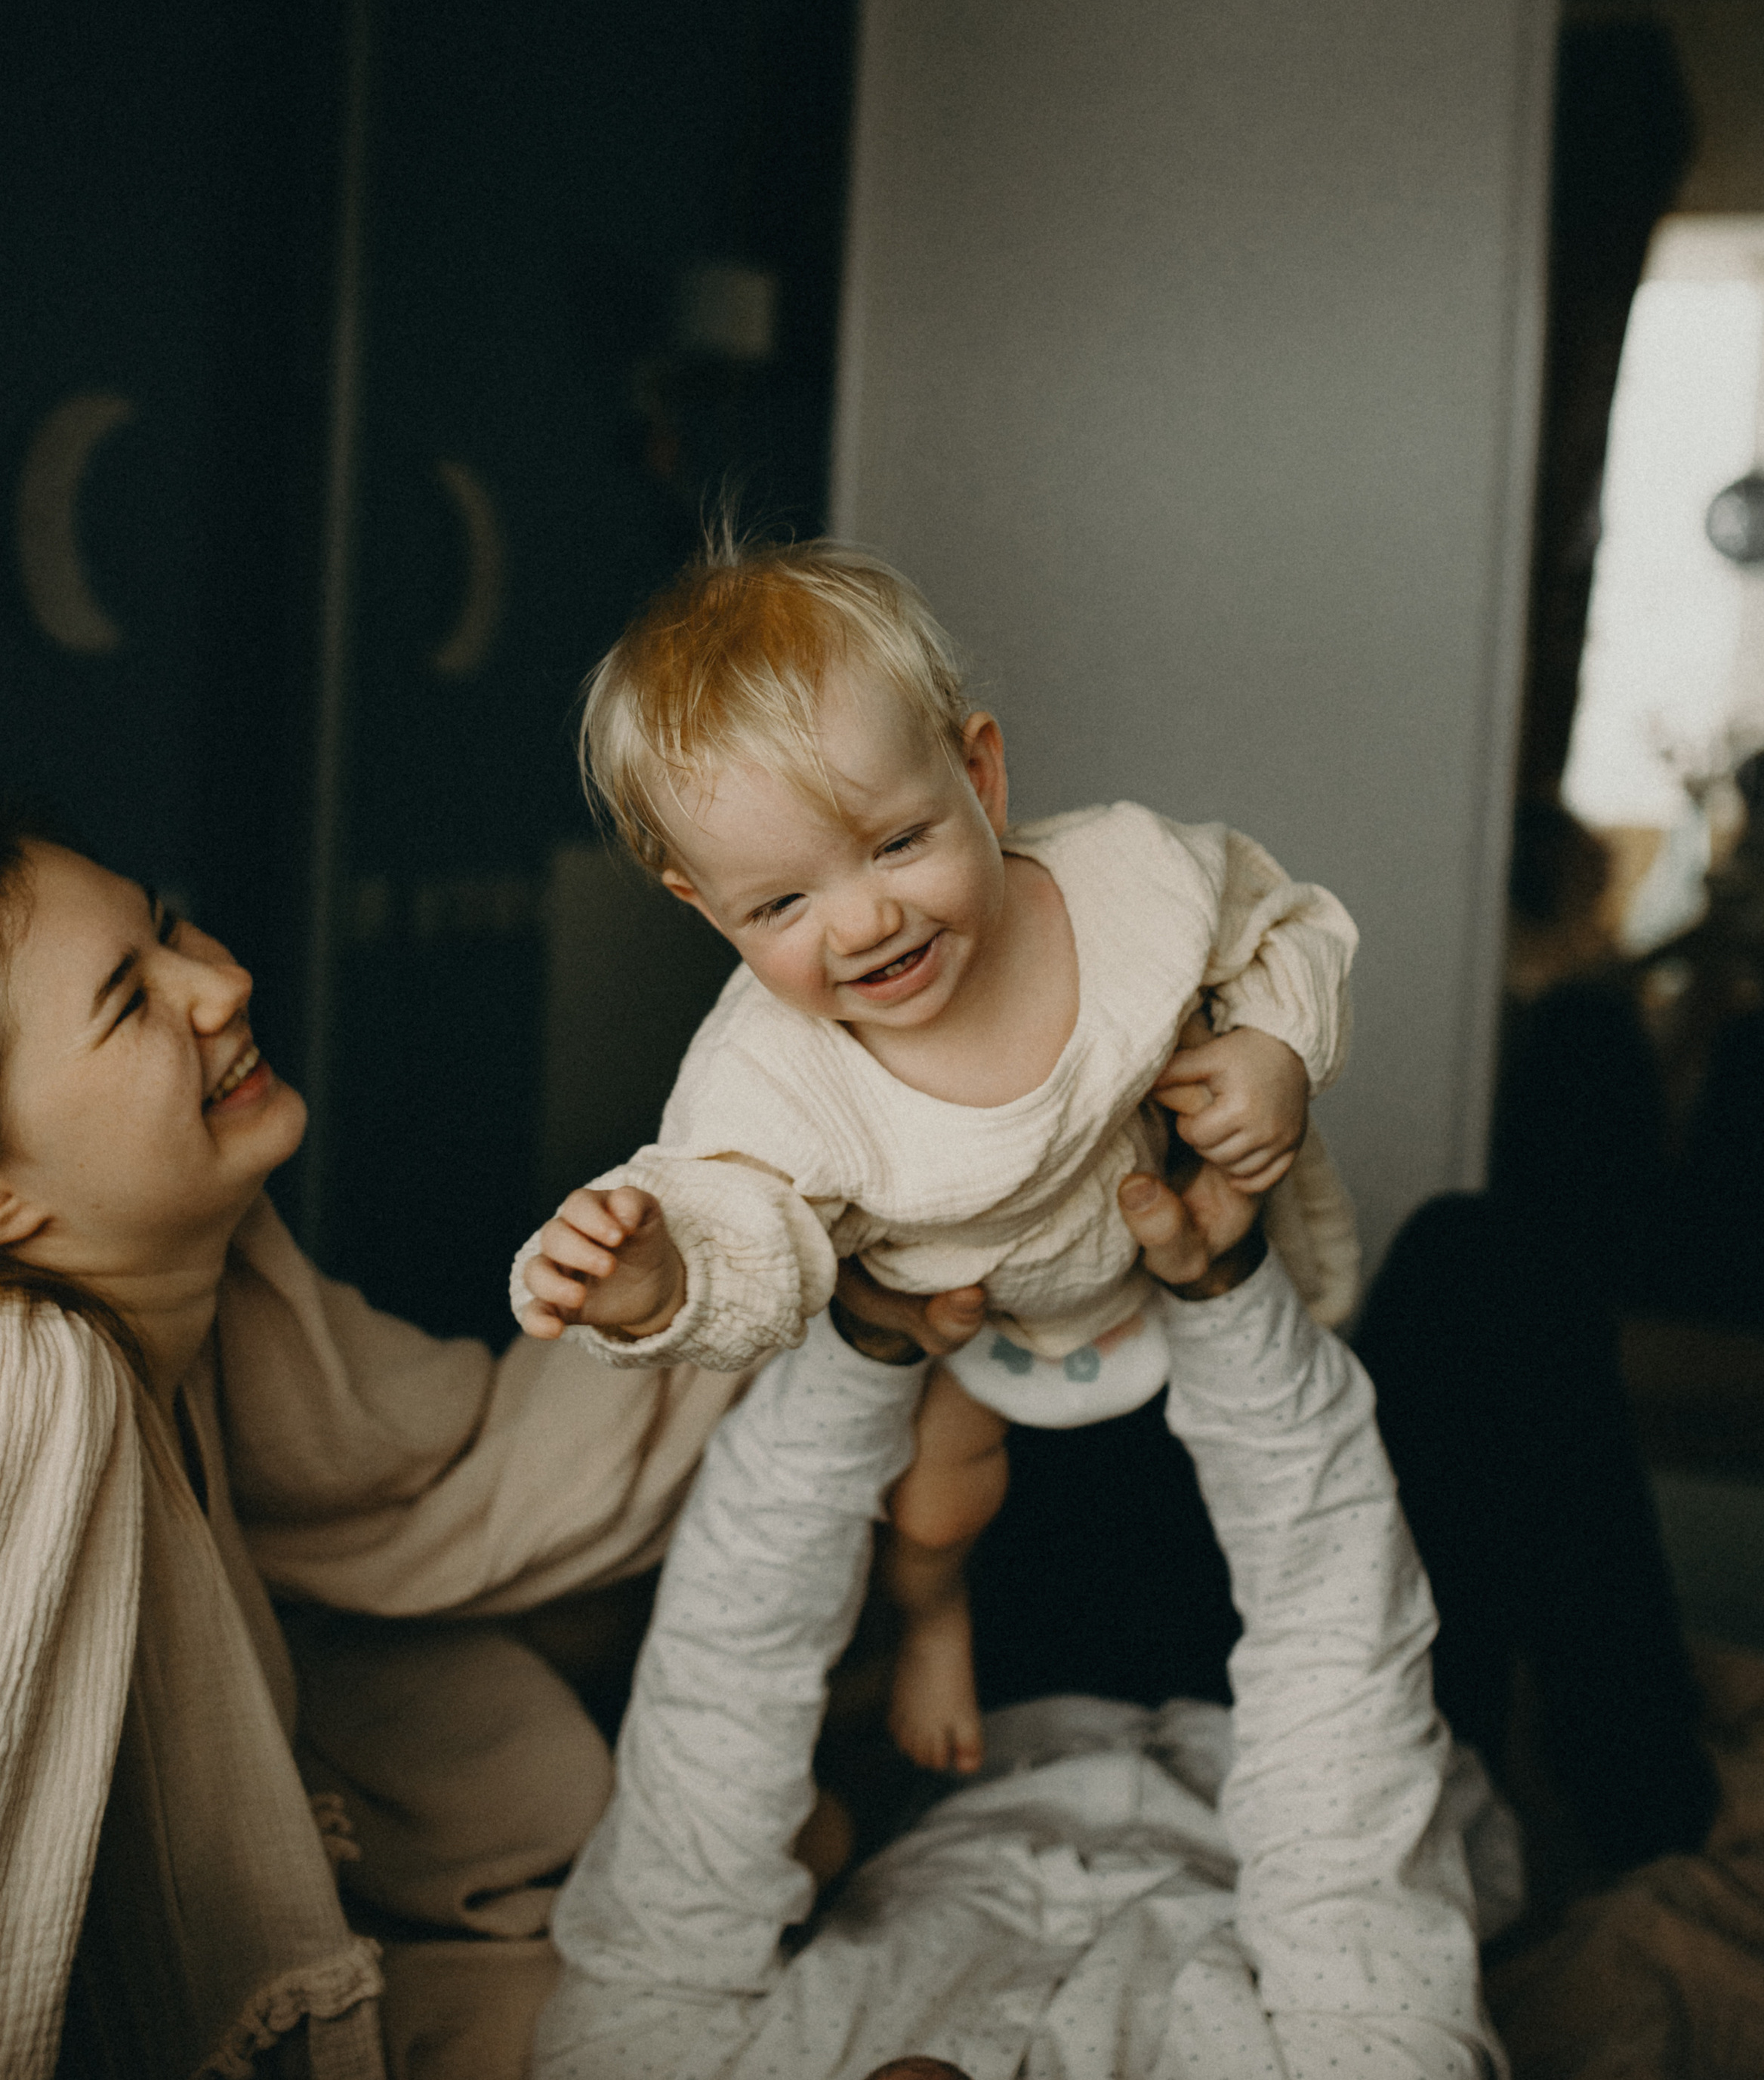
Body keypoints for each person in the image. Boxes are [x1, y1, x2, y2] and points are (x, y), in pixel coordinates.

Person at [0, 798, 765, 2080]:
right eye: (130, 999)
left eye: (168, 926)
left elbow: (470, 1484)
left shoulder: (202, 1296)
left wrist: (770, 1257)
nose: (222, 981)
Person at [531, 1157, 1518, 2080]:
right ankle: (1652, 1798)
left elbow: (714, 1712)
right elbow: (1340, 1713)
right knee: (1480, 1267)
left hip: (1010, 1704)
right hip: (1291, 1778)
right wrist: (1228, 1306)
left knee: (1024, 1213)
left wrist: (863, 1354)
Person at [512, 534, 1358, 1772]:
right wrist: (661, 1276)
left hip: (1176, 1262)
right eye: (781, 904)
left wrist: (1275, 1046)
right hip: (974, 1332)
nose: (864, 921)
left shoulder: (1131, 881)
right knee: (936, 1504)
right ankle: (934, 1621)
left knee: (1275, 1489)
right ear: (703, 903)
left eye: (898, 843)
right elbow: (742, 1221)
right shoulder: (768, 1070)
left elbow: (1285, 924)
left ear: (980, 775)